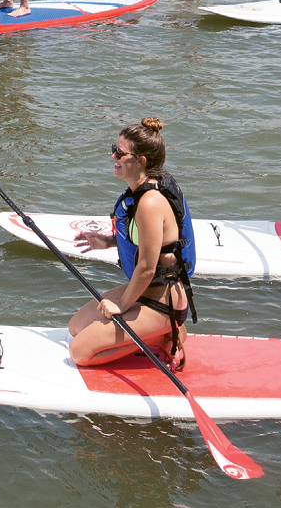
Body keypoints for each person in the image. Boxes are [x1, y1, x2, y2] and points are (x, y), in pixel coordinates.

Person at [68, 118, 192, 368]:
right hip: (144, 291)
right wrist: (109, 241)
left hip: (162, 302)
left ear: (140, 161)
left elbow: (147, 267)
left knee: (79, 353)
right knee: (75, 327)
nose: (113, 156)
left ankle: (163, 336)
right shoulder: (141, 193)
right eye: (113, 148)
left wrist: (121, 306)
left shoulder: (149, 202)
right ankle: (157, 332)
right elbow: (153, 243)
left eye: (120, 153)